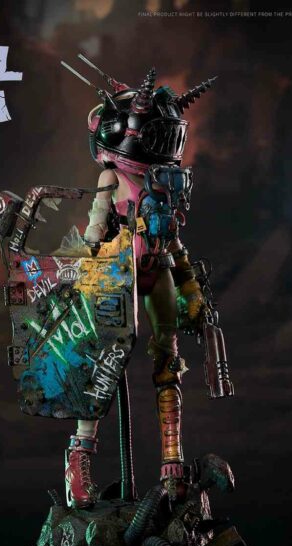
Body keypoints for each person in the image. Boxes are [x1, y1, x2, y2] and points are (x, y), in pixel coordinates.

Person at [61, 61, 216, 508]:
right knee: (103, 362)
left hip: (155, 268)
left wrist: (191, 291)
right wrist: (88, 268)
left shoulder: (163, 184)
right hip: (117, 272)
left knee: (168, 361)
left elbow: (174, 242)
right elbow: (95, 231)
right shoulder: (111, 179)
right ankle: (79, 455)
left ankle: (172, 462)